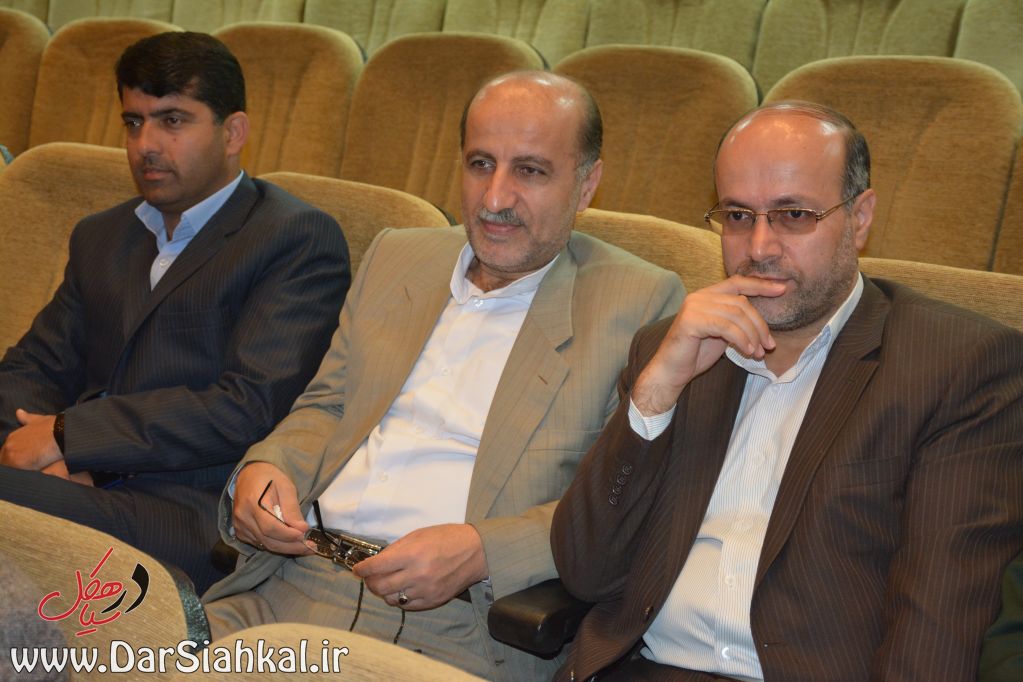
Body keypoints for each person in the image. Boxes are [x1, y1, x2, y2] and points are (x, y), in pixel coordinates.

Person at [201, 71, 685, 681]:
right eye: (481, 164)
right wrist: (268, 468)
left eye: (530, 171)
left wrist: (484, 550)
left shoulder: (637, 304)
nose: (495, 198)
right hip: (288, 585)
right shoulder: (397, 256)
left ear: (586, 184)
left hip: (458, 629)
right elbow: (328, 406)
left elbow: (623, 504)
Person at [550, 101, 1023, 682]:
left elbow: (936, 633)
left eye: (794, 215)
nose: (759, 247)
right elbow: (585, 572)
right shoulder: (672, 349)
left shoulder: (959, 368)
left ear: (860, 218)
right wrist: (654, 397)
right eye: (737, 215)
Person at [0, 32, 349, 593]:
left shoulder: (295, 238)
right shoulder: (102, 235)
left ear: (233, 132)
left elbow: (246, 408)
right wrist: (42, 453)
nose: (146, 145)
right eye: (133, 122)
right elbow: (33, 368)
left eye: (172, 121)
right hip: (76, 482)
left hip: (190, 512)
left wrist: (71, 436)